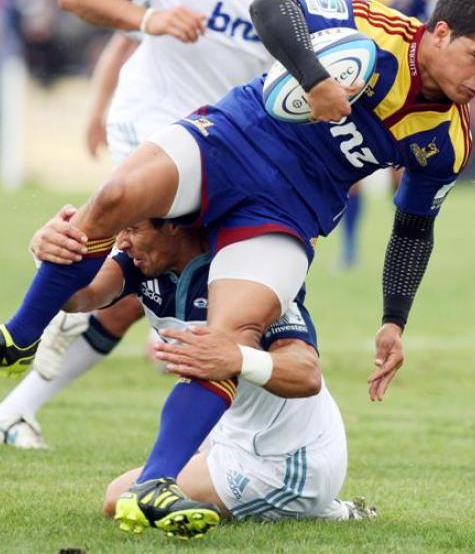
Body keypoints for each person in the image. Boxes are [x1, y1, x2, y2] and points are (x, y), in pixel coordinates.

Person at [2, 0, 475, 417]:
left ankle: (160, 480)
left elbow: (413, 229)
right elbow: (272, 7)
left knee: (227, 336)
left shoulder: (449, 141)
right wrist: (315, 80)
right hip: (234, 137)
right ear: (442, 32)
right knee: (116, 196)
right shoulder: (376, 26)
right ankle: (19, 336)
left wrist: (393, 321)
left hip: (291, 206)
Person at [28, 0, 333, 393]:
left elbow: (312, 53)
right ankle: (40, 324)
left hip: (236, 146)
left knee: (213, 295)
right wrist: (148, 22)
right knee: (148, 268)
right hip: (155, 123)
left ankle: (23, 399)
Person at [2, 213, 375, 539]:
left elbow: (306, 374)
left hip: (286, 459)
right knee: (142, 487)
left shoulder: (253, 278)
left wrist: (237, 357)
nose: (123, 241)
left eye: (133, 228)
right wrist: (48, 253)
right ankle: (320, 508)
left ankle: (315, 506)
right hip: (234, 440)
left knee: (119, 498)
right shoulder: (140, 265)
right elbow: (81, 297)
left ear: (176, 226)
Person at [332, 0, 441, 267]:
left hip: (401, 95)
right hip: (352, 90)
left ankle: (402, 248)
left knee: (403, 174)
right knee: (349, 173)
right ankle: (348, 250)